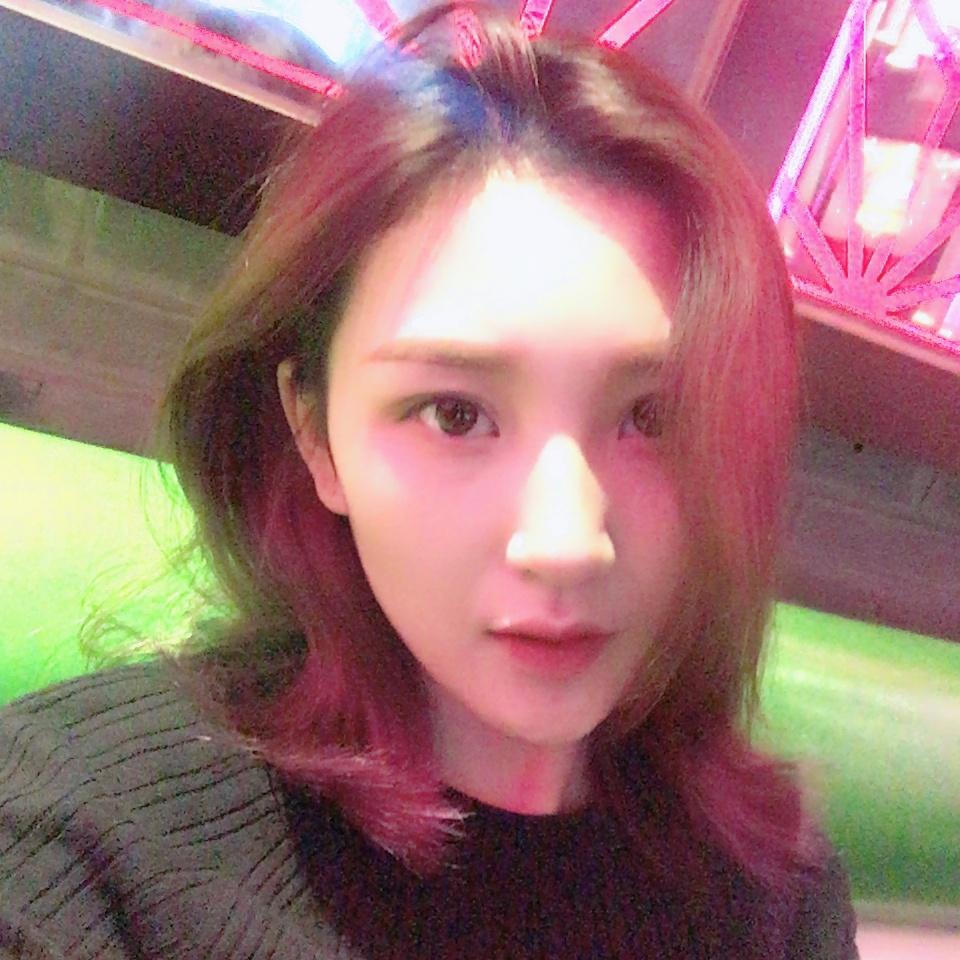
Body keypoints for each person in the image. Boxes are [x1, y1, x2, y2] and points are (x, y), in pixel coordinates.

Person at [0, 3, 859, 957]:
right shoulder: (77, 838)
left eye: (654, 418)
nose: (565, 543)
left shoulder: (771, 889)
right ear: (315, 433)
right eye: (455, 414)